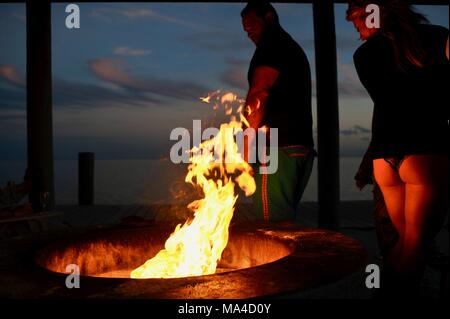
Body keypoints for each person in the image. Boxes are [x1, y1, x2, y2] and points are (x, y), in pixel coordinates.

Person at [347, 0, 449, 295]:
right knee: (417, 244)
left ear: (378, 13)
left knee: (406, 240)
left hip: (385, 156)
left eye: (359, 22)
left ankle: (386, 290)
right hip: (425, 147)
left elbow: (392, 95)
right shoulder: (436, 36)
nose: (358, 31)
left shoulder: (363, 56)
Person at [241, 0, 315, 221]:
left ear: (269, 17)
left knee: (271, 227)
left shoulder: (272, 45)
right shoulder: (291, 48)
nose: (249, 32)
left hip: (276, 149)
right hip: (300, 148)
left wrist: (246, 144)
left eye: (252, 24)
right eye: (245, 29)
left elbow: (259, 94)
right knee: (284, 221)